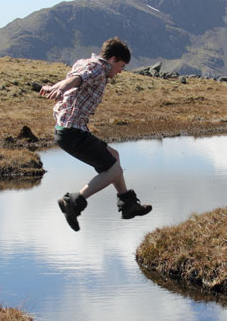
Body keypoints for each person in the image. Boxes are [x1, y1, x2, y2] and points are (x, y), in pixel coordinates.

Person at [40, 37, 152, 231]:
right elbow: (77, 79)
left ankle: (128, 205)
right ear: (113, 59)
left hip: (71, 129)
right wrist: (61, 87)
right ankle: (74, 202)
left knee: (114, 156)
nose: (120, 71)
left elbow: (76, 77)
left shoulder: (86, 63)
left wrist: (55, 87)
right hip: (71, 132)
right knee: (114, 170)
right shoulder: (98, 68)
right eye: (121, 66)